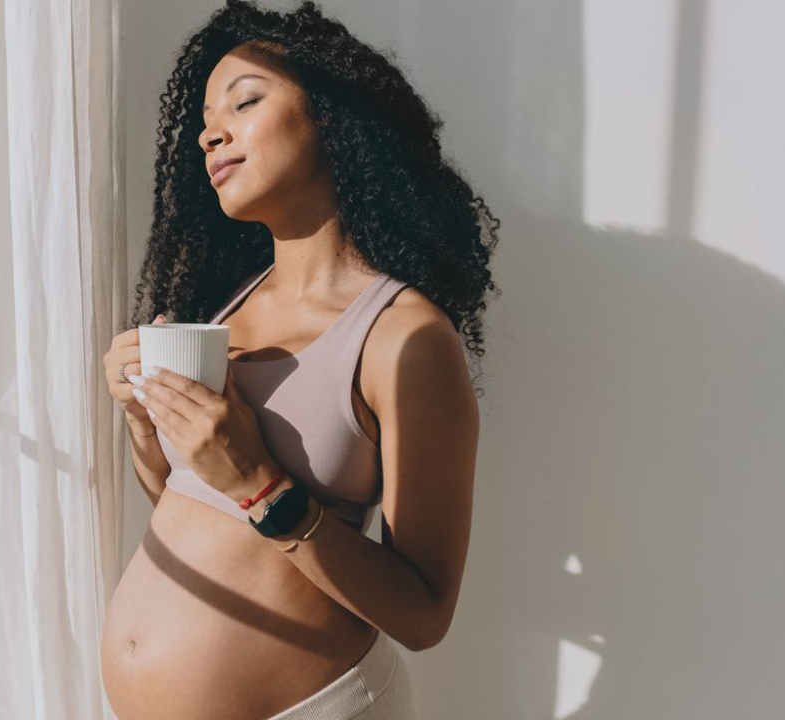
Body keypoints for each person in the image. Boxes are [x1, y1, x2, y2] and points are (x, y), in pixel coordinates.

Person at [100, 2, 498, 718]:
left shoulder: (405, 339)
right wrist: (144, 422)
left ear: (332, 119)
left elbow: (423, 613)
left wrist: (259, 483)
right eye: (203, 122)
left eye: (244, 101)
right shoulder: (228, 309)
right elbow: (193, 506)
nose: (210, 131)